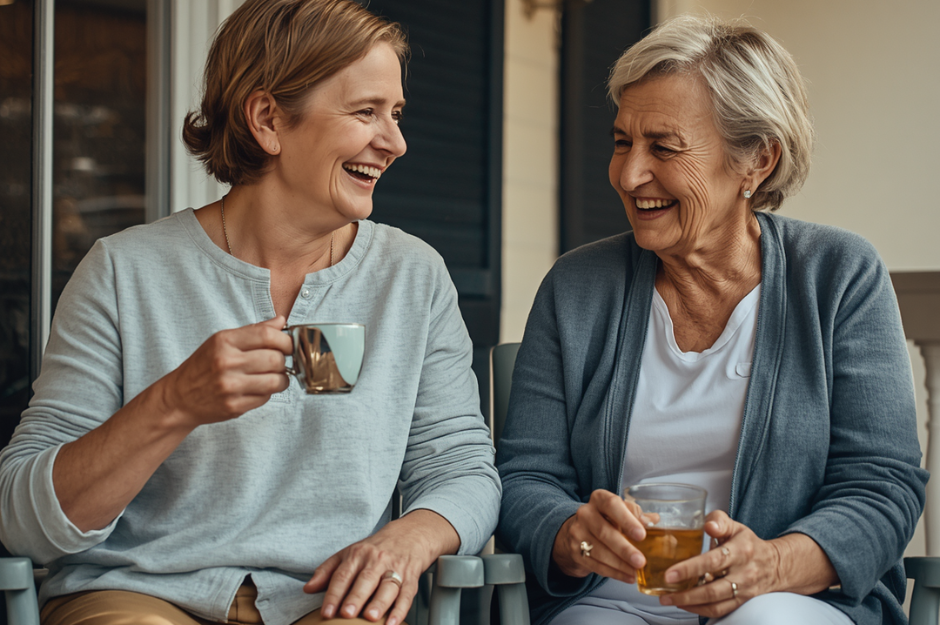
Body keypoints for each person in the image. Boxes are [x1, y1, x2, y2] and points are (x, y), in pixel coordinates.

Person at [0, 2, 500, 625]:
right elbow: (25, 521)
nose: (396, 142)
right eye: (366, 111)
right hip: (139, 595)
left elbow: (463, 470)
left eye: (395, 114)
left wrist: (413, 536)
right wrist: (172, 403)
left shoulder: (411, 277)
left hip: (330, 601)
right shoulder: (124, 272)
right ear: (268, 120)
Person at [496, 14, 926, 625]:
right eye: (623, 141)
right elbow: (524, 478)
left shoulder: (839, 276)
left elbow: (881, 485)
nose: (628, 174)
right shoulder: (576, 287)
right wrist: (572, 533)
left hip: (787, 598)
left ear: (756, 161)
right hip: (610, 601)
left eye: (663, 147)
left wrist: (770, 565)